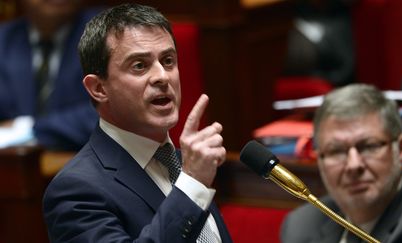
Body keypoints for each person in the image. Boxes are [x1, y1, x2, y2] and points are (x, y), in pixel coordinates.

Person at [43, 3, 232, 243]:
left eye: (168, 60)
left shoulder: (184, 163)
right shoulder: (75, 191)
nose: (162, 76)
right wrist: (192, 184)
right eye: (140, 66)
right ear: (99, 89)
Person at [280, 84, 402, 242]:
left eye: (368, 146)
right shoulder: (301, 226)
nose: (354, 165)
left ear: (400, 149)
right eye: (337, 151)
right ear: (320, 160)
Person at [0, 0, 100, 150]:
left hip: (90, 163)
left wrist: (29, 129)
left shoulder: (109, 33)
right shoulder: (5, 40)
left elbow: (115, 112)